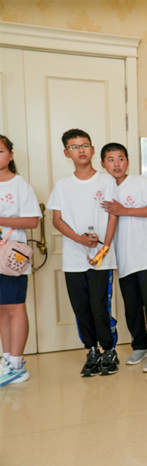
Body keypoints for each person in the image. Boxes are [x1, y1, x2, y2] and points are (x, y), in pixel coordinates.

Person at [47, 128, 119, 377]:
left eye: (85, 145)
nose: (81, 150)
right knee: (82, 308)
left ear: (92, 149)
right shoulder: (63, 185)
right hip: (73, 258)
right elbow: (57, 220)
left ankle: (109, 350)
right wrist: (78, 239)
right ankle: (91, 351)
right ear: (67, 153)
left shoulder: (107, 181)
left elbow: (113, 215)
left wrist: (104, 247)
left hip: (101, 257)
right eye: (74, 147)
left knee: (100, 306)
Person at [100, 142, 147, 373]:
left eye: (121, 159)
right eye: (111, 159)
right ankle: (140, 346)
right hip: (122, 258)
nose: (116, 164)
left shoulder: (141, 182)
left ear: (127, 162)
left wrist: (124, 211)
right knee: (131, 307)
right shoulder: (103, 189)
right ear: (103, 164)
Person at [0, 135, 41, 386]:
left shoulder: (20, 185)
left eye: (0, 151)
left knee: (15, 308)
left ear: (10, 155)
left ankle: (17, 364)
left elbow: (32, 220)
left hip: (11, 257)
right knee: (1, 309)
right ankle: (7, 359)